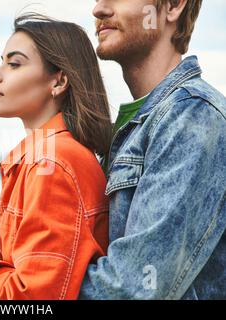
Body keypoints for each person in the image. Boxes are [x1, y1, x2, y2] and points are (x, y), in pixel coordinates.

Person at [0, 13, 113, 300]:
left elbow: (33, 298)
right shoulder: (42, 157)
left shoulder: (52, 163)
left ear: (59, 81)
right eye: (2, 61)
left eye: (14, 64)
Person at [79, 0, 226, 299]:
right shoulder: (127, 127)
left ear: (172, 6)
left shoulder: (191, 115)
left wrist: (11, 289)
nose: (99, 10)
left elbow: (132, 288)